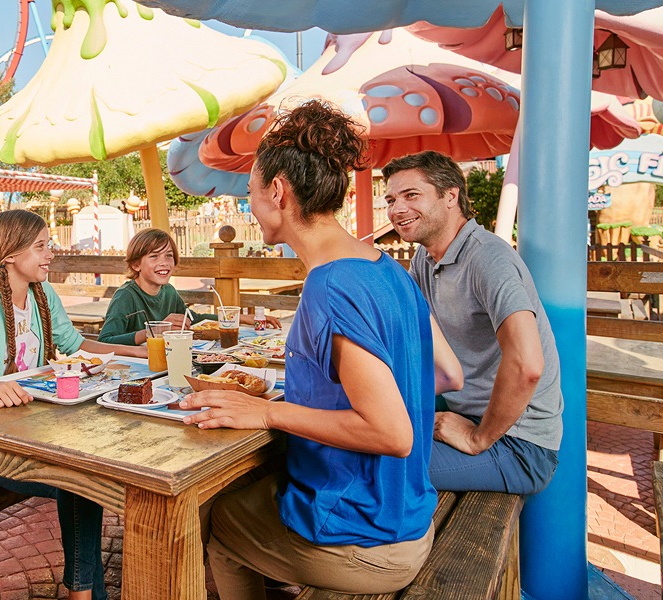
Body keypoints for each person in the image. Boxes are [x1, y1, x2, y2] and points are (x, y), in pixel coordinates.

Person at [177, 100, 463, 598]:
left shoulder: (329, 285)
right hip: (409, 508)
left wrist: (268, 412)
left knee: (217, 521)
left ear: (279, 192)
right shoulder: (388, 267)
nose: (248, 206)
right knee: (254, 493)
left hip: (367, 537)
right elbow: (447, 372)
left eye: (250, 194)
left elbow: (391, 433)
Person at [0, 209, 146, 600]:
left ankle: (81, 591)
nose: (50, 253)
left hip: (26, 431)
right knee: (81, 483)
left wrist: (138, 355)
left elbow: (76, 346)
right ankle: (83, 593)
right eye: (40, 246)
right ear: (11, 254)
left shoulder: (43, 295)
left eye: (48, 244)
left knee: (86, 477)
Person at [382, 150, 562, 495]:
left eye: (411, 195)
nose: (396, 209)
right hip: (462, 410)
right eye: (391, 199)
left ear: (451, 195)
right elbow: (400, 325)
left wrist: (477, 437)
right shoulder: (426, 258)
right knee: (351, 426)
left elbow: (527, 365)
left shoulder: (488, 258)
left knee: (372, 464)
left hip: (516, 444)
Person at [98, 228, 281, 346]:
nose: (164, 263)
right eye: (154, 257)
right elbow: (105, 341)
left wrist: (244, 318)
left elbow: (194, 318)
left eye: (169, 256)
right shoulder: (126, 296)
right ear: (136, 265)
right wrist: (155, 331)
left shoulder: (168, 291)